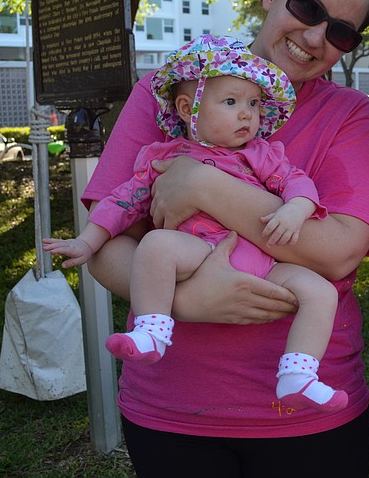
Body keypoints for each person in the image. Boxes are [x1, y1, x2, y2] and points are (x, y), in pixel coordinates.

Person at [80, 0, 369, 476]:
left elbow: (338, 253)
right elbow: (106, 245)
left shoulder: (350, 115)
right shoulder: (167, 90)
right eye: (307, 7)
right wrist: (189, 301)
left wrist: (199, 184)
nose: (315, 37)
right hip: (172, 410)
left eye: (339, 31)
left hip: (308, 423)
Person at [44, 35, 348, 413]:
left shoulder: (262, 154)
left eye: (253, 103)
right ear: (188, 108)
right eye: (231, 102)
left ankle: (298, 374)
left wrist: (296, 210)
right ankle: (152, 331)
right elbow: (121, 202)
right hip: (199, 251)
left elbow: (298, 182)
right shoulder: (164, 158)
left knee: (321, 292)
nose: (246, 114)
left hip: (264, 260)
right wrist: (88, 242)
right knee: (156, 246)